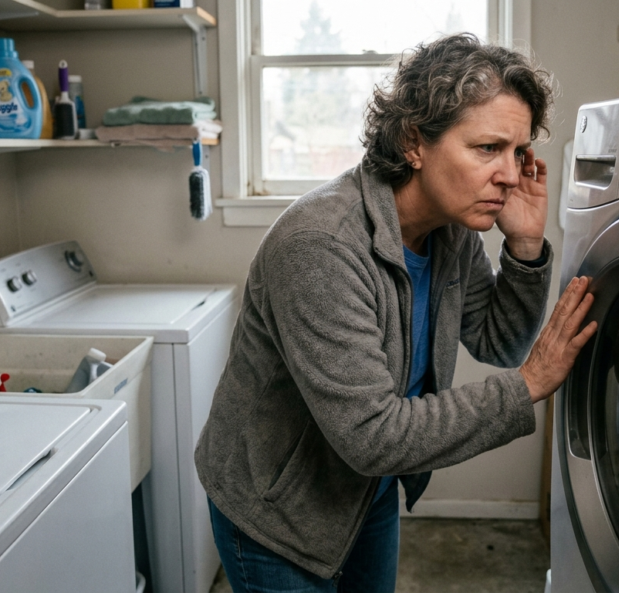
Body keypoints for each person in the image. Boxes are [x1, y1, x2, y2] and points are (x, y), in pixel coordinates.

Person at [195, 33, 596, 593]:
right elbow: (373, 434)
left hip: (367, 490)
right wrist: (527, 386)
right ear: (413, 142)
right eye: (487, 148)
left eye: (518, 152)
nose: (510, 175)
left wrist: (525, 249)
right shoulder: (320, 247)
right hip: (278, 512)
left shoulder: (450, 230)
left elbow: (497, 342)